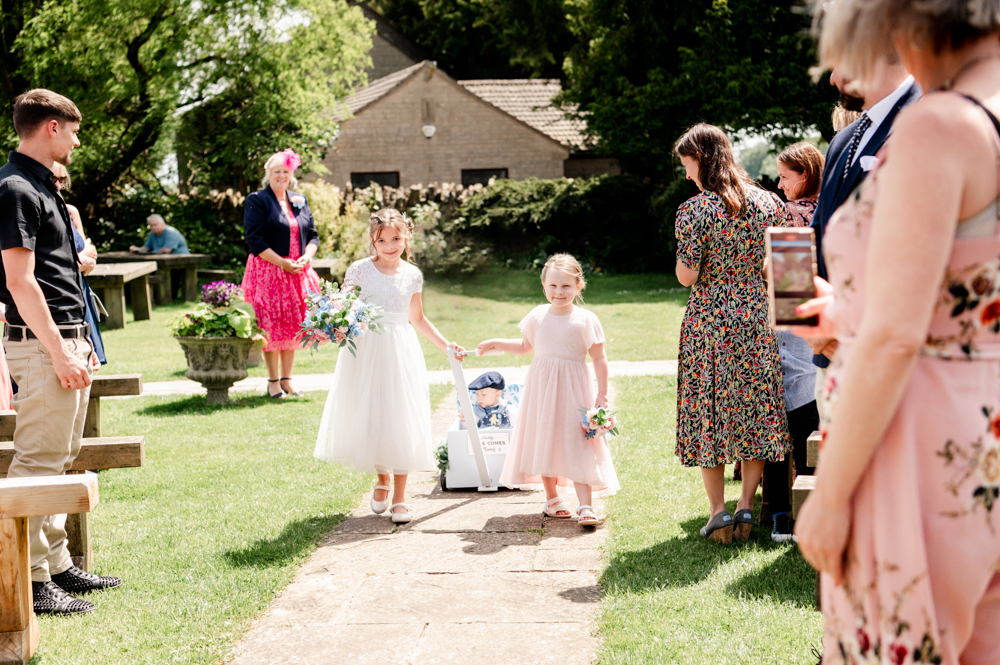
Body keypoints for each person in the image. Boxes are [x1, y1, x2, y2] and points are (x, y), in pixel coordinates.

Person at [794, 2, 1000, 662]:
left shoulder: (940, 123)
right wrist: (850, 317)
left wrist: (829, 495)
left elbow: (896, 337)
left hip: (917, 450)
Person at [0, 89, 122, 616]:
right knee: (38, 462)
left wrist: (80, 344)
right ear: (51, 126)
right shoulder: (14, 188)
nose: (76, 141)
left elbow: (57, 274)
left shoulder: (42, 184)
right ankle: (28, 579)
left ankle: (56, 564)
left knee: (61, 458)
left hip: (67, 339)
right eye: (73, 131)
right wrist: (59, 352)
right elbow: (20, 282)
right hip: (42, 345)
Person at [673, 123, 791, 544]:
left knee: (710, 410)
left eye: (687, 165)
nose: (687, 174)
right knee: (754, 409)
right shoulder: (769, 203)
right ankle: (746, 506)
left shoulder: (693, 210)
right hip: (755, 317)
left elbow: (687, 276)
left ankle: (717, 512)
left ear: (701, 159)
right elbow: (779, 269)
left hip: (709, 320)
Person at [313, 209, 465, 523]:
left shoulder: (413, 275)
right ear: (373, 241)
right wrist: (334, 326)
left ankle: (400, 496)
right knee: (373, 415)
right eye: (382, 240)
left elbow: (417, 318)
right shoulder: (359, 270)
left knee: (401, 416)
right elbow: (343, 308)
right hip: (366, 349)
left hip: (400, 348)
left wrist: (446, 346)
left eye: (396, 239)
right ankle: (382, 477)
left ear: (406, 238)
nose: (389, 246)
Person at [808, 53, 921, 425]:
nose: (831, 78)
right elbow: (818, 237)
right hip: (832, 361)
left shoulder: (926, 122)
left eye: (838, 59)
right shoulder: (844, 140)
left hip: (896, 367)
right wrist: (793, 293)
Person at [477, 253, 619, 527]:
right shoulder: (537, 315)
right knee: (545, 437)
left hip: (574, 388)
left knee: (578, 440)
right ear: (544, 285)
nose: (559, 292)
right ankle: (552, 498)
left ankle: (586, 505)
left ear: (579, 286)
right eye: (553, 285)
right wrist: (495, 342)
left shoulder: (585, 319)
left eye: (566, 286)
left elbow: (599, 358)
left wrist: (602, 394)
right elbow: (525, 347)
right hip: (541, 388)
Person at [761, 142, 824, 542]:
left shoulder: (791, 216)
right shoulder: (833, 209)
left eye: (785, 177)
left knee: (786, 403)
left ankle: (783, 512)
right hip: (828, 313)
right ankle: (806, 505)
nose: (780, 184)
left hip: (795, 309)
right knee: (809, 402)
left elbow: (786, 281)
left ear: (806, 175)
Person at [242, 149, 322, 398]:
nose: (281, 175)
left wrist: (307, 257)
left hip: (297, 271)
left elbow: (313, 235)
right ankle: (273, 382)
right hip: (269, 271)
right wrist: (281, 263)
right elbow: (254, 239)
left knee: (292, 325)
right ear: (268, 173)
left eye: (285, 171)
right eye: (277, 171)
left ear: (291, 174)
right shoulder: (257, 199)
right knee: (271, 325)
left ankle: (287, 380)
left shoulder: (299, 199)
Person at [51, 162, 106, 367]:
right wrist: (79, 261)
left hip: (80, 289)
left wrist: (87, 261)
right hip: (57, 296)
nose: (58, 185)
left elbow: (87, 253)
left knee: (89, 361)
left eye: (62, 180)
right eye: (53, 179)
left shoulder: (70, 211)